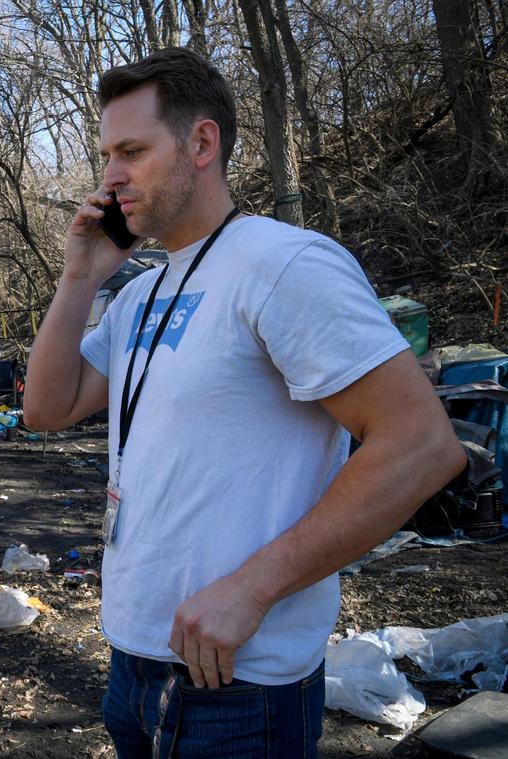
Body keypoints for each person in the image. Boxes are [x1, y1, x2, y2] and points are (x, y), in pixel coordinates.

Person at [23, 47, 465, 758]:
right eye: (106, 156)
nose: (110, 178)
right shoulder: (141, 292)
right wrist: (79, 277)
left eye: (132, 151)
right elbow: (46, 409)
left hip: (240, 684)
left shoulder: (283, 263)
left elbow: (420, 445)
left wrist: (252, 589)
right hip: (134, 661)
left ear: (202, 143)